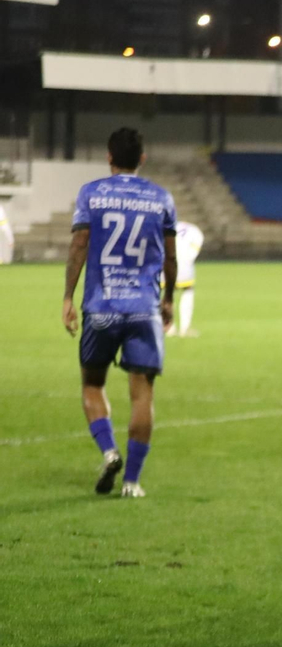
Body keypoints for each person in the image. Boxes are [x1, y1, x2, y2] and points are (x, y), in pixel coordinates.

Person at [61, 127, 177, 498]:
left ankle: (110, 451)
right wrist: (169, 299)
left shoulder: (91, 193)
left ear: (109, 156)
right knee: (142, 395)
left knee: (92, 384)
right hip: (143, 309)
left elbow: (80, 244)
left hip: (101, 306)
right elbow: (172, 256)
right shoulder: (161, 198)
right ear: (142, 158)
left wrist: (67, 296)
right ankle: (132, 482)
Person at [165, 221, 204, 338]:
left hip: (167, 261)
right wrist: (188, 260)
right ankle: (184, 328)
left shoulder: (169, 226)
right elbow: (195, 248)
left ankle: (169, 327)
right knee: (188, 290)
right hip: (185, 264)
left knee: (168, 293)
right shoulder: (195, 230)